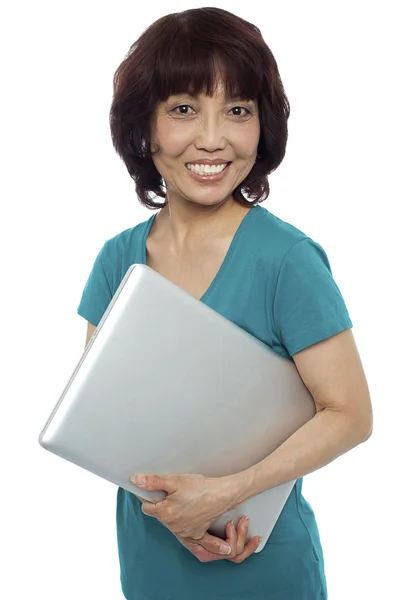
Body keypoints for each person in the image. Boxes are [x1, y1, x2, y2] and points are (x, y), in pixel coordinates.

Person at [77, 7, 373, 600]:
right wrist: (180, 514)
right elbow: (103, 424)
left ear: (263, 125)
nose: (212, 138)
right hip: (151, 555)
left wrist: (227, 493)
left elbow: (350, 414)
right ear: (146, 126)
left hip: (261, 558)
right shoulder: (118, 260)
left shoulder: (287, 260)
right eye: (184, 109)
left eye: (238, 110)